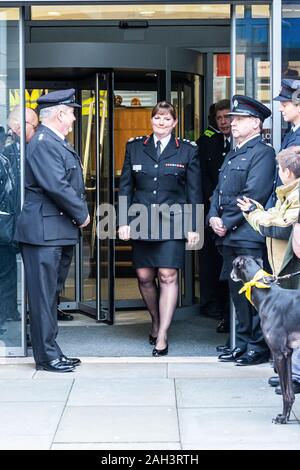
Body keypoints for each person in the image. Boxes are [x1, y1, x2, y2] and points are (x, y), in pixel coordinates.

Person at [118, 101, 202, 356]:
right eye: (157, 119)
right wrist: (123, 221)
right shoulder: (135, 147)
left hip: (174, 221)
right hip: (141, 220)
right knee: (144, 277)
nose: (161, 123)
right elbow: (125, 187)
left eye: (167, 119)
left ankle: (163, 334)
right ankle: (155, 319)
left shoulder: (187, 151)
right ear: (151, 120)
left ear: (174, 123)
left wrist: (194, 226)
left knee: (167, 275)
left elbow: (194, 190)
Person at [14, 89, 90, 372]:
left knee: (50, 295)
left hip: (55, 231)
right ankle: (46, 357)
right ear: (59, 114)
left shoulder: (55, 142)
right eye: (71, 113)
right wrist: (82, 215)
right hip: (44, 233)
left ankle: (51, 349)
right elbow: (56, 185)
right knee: (44, 296)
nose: (73, 119)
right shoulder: (46, 142)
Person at [208, 95, 276, 366]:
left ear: (256, 125)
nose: (232, 123)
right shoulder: (234, 151)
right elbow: (219, 190)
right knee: (237, 293)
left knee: (255, 294)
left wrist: (226, 222)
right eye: (232, 119)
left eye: (239, 120)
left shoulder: (262, 153)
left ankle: (258, 347)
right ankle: (243, 342)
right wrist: (213, 215)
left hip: (247, 234)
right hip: (229, 235)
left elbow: (254, 193)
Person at [237, 145, 300, 393]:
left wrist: (254, 216)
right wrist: (258, 213)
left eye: (279, 169)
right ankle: (292, 374)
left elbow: (280, 226)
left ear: (287, 172)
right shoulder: (289, 193)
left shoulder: (296, 195)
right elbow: (274, 217)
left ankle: (294, 377)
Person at [0, 107, 38, 336]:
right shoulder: (6, 152)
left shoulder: (22, 150)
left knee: (10, 269)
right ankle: (6, 314)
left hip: (21, 221)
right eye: (33, 125)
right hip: (8, 221)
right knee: (5, 268)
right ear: (16, 127)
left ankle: (10, 312)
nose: (36, 130)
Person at [197, 99, 231, 333]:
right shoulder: (207, 141)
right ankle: (213, 305)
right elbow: (201, 173)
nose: (224, 121)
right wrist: (210, 197)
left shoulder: (239, 143)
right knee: (211, 260)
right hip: (210, 209)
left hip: (232, 211)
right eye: (219, 118)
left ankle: (228, 311)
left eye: (227, 117)